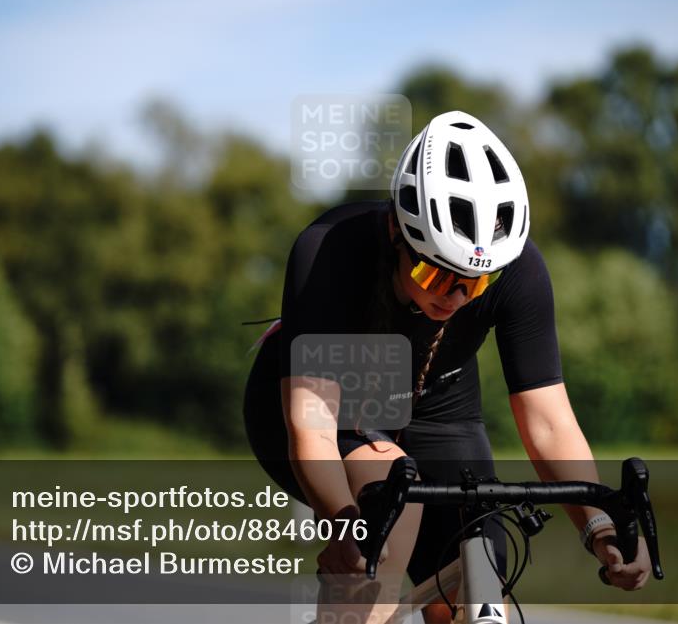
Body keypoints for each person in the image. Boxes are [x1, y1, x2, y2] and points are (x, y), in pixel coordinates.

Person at [243, 110, 651, 623]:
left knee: (479, 586)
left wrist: (599, 527)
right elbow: (311, 424)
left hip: (439, 400)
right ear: (397, 230)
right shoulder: (331, 250)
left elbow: (548, 422)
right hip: (330, 401)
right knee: (381, 535)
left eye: (475, 283)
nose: (456, 296)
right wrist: (344, 526)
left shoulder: (518, 269)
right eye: (433, 273)